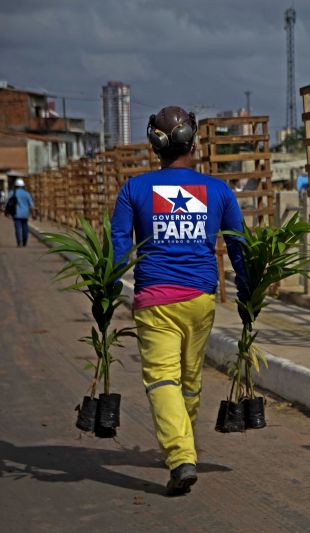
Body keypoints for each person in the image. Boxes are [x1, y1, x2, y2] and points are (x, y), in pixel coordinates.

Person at [111, 106, 249, 495]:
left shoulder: (134, 189)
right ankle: (183, 447)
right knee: (189, 380)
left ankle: (180, 455)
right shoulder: (219, 190)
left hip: (155, 301)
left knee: (163, 380)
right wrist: (249, 292)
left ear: (154, 144)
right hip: (201, 301)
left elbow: (118, 250)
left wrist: (102, 291)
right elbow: (239, 248)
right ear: (195, 142)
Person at [6, 177, 35, 247]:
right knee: (25, 228)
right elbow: (31, 205)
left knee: (17, 228)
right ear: (23, 186)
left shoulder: (12, 193)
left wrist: (6, 212)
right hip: (25, 214)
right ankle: (24, 242)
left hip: (16, 214)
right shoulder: (26, 194)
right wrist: (34, 214)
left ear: (15, 185)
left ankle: (19, 242)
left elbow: (7, 203)